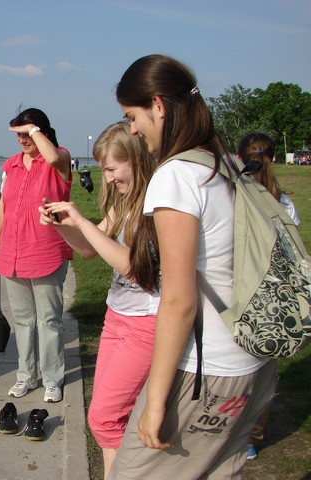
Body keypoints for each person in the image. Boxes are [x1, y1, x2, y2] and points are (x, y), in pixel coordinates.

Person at [107, 54, 278, 479]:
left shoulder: (177, 176)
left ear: (158, 106)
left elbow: (179, 301)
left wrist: (156, 401)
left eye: (132, 116)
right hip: (253, 359)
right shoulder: (224, 163)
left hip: (208, 369)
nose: (133, 129)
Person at [40, 122, 159, 478]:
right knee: (110, 419)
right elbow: (90, 249)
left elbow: (135, 269)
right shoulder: (125, 202)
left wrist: (80, 219)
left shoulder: (155, 205)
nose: (106, 178)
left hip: (146, 323)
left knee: (105, 417)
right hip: (117, 316)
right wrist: (61, 225)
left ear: (136, 160)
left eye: (111, 169)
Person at [0, 107, 73, 403]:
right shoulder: (11, 165)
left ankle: (52, 378)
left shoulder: (59, 158)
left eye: (26, 133)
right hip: (13, 252)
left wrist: (34, 130)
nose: (22, 140)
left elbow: (51, 157)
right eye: (19, 134)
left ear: (42, 132)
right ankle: (26, 375)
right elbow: (3, 206)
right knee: (23, 320)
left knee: (49, 320)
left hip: (46, 251)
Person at [237, 132, 300, 460]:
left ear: (239, 158)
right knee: (265, 372)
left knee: (237, 370)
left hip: (243, 292)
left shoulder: (237, 194)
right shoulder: (284, 201)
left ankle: (231, 433)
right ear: (272, 157)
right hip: (276, 297)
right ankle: (252, 437)